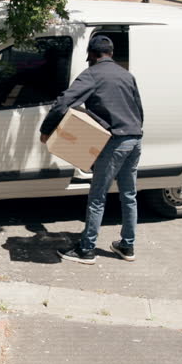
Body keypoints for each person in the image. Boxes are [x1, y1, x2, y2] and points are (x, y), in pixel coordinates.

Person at [39, 34, 144, 264]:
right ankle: (127, 246)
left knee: (97, 196)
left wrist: (46, 130)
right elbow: (139, 109)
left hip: (115, 142)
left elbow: (63, 102)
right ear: (111, 53)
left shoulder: (92, 75)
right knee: (129, 195)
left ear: (91, 55)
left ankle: (86, 249)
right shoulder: (127, 75)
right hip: (135, 138)